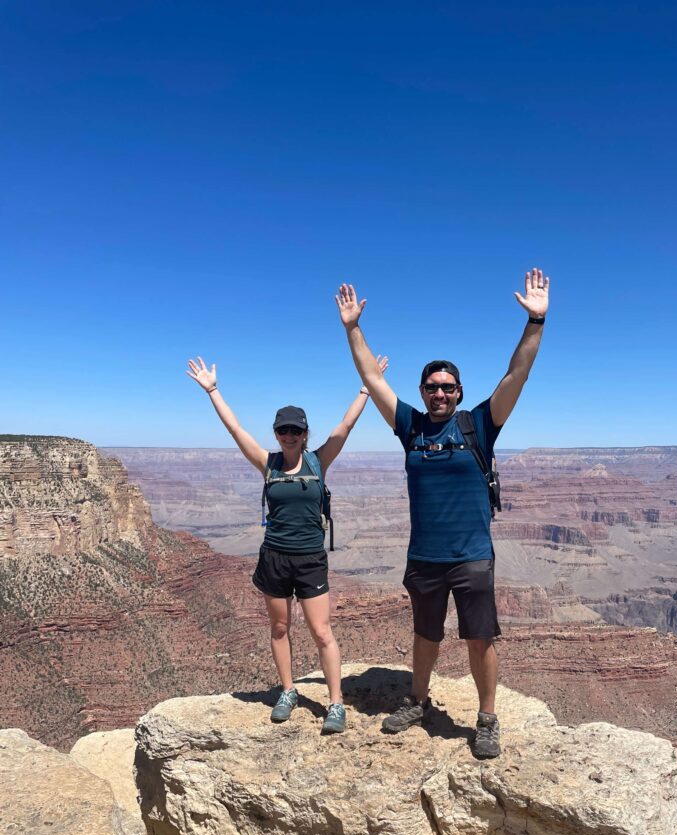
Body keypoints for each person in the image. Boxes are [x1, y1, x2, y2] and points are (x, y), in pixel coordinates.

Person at [335, 269, 549, 758]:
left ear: (458, 391)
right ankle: (418, 700)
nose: (440, 393)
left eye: (448, 387)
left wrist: (535, 321)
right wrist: (352, 329)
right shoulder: (409, 426)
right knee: (425, 634)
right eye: (432, 386)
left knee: (479, 638)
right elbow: (371, 377)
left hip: (472, 555)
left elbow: (517, 374)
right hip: (425, 556)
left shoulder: (479, 425)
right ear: (422, 390)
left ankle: (487, 717)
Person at [187, 354, 388, 734]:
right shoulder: (268, 463)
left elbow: (346, 426)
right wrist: (213, 391)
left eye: (295, 431)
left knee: (321, 631)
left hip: (310, 558)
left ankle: (335, 703)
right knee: (279, 628)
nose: (289, 436)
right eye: (283, 431)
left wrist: (367, 385)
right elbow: (235, 430)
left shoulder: (318, 461)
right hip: (275, 558)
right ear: (277, 433)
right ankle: (288, 691)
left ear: (305, 433)